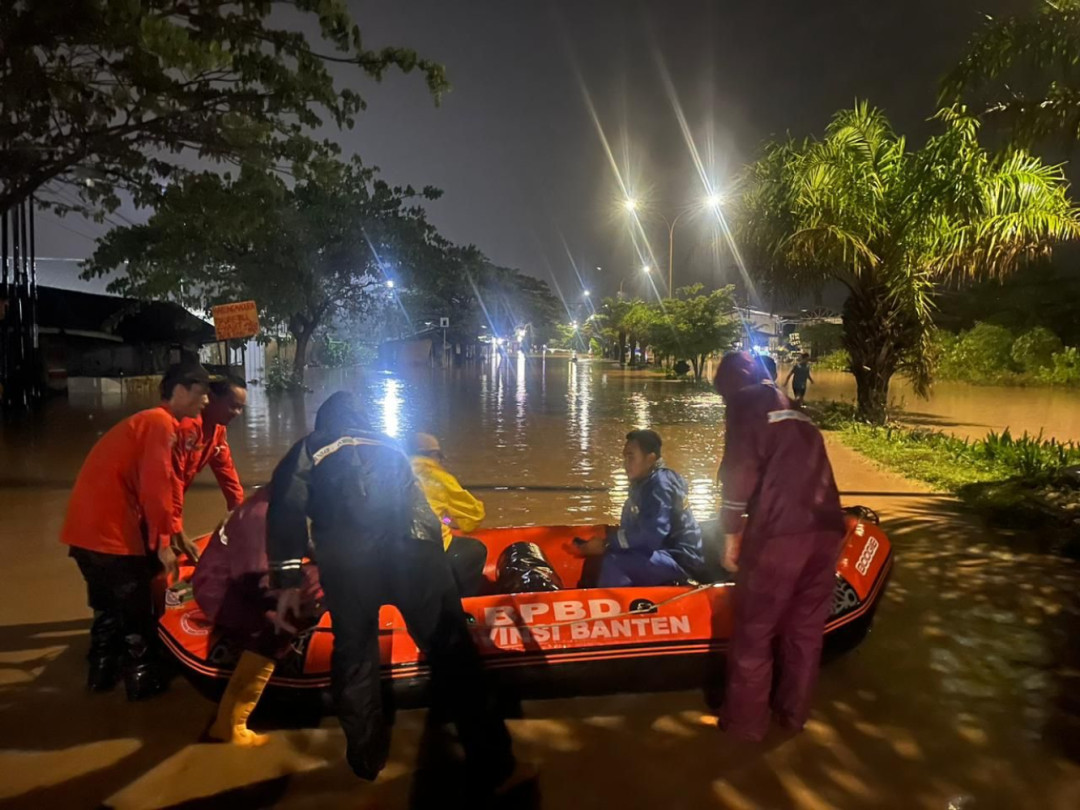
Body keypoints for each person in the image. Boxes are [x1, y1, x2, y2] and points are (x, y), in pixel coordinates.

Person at [265, 392, 524, 790]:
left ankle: (367, 760)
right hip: (416, 552)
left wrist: (286, 579)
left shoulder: (310, 447)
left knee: (354, 655)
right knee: (453, 651)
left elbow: (285, 506)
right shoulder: (391, 446)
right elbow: (423, 510)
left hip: (350, 562)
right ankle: (492, 756)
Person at [712, 351, 845, 742]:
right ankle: (792, 718)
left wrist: (731, 535)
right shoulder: (797, 413)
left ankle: (744, 729)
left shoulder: (745, 405)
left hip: (780, 537)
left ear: (729, 386)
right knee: (804, 632)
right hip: (826, 532)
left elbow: (738, 476)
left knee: (754, 632)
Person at [61, 361, 211, 699]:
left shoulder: (142, 423)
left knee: (105, 610)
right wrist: (162, 544)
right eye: (201, 394)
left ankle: (99, 677)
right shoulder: (160, 424)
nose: (204, 402)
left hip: (84, 537)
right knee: (137, 617)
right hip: (113, 538)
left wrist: (175, 532)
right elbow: (156, 487)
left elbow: (165, 485)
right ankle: (142, 684)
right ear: (181, 390)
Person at [193, 488, 323, 746]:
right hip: (223, 592)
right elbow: (258, 579)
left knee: (324, 578)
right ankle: (230, 724)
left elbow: (299, 542)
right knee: (280, 625)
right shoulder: (261, 517)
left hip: (236, 581)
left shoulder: (280, 504)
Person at [575, 429, 705, 587]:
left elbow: (651, 536)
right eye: (624, 457)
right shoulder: (642, 485)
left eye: (631, 457)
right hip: (659, 554)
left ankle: (613, 607)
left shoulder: (660, 485)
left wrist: (607, 544)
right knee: (601, 557)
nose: (625, 463)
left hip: (680, 560)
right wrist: (605, 545)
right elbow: (633, 533)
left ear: (650, 459)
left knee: (614, 562)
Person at [408, 432, 489, 597]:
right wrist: (451, 521)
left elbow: (434, 514)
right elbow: (473, 517)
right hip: (427, 552)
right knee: (475, 550)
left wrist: (444, 519)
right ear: (433, 455)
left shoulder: (388, 473)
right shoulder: (436, 476)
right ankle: (463, 602)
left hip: (392, 552)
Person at [172, 374, 247, 540]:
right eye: (233, 406)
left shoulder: (218, 430)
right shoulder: (187, 427)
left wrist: (239, 510)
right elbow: (170, 482)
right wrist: (175, 530)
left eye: (241, 408)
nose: (237, 413)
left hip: (167, 504)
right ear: (211, 398)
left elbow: (226, 471)